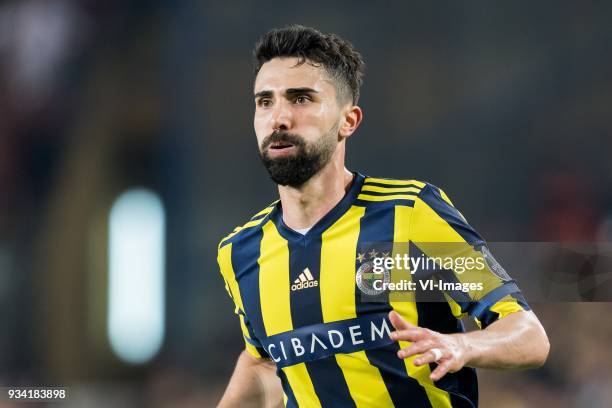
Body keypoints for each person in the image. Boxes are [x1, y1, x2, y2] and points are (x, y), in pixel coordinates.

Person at [216, 25, 549, 408]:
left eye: (301, 98)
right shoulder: (240, 251)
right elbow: (266, 362)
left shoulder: (409, 213)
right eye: (265, 102)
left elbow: (527, 334)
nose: (279, 118)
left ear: (349, 121)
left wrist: (458, 345)